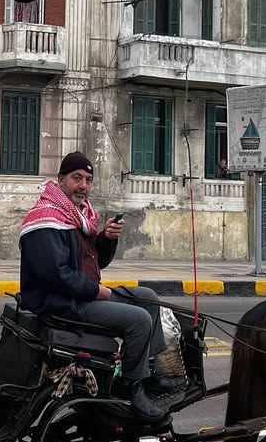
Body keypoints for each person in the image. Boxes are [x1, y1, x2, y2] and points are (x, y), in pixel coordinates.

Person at [18, 152, 177, 421]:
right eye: (76, 178)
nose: (83, 186)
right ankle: (131, 388)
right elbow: (55, 276)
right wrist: (97, 291)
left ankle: (143, 373)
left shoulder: (77, 216)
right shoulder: (46, 219)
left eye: (88, 180)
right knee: (138, 320)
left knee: (148, 298)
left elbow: (94, 263)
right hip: (62, 306)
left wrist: (105, 238)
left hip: (81, 297)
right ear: (60, 180)